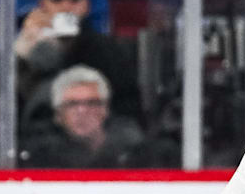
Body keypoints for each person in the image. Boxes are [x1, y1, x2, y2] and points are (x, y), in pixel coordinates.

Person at [11, 0, 140, 125]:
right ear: (43, 6)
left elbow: (129, 108)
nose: (66, 7)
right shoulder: (30, 47)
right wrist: (23, 48)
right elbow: (7, 103)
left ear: (86, 5)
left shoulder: (106, 50)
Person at [19, 65, 169, 168]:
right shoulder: (39, 155)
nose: (82, 111)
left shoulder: (133, 149)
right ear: (58, 114)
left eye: (92, 103)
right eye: (72, 104)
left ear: (106, 109)